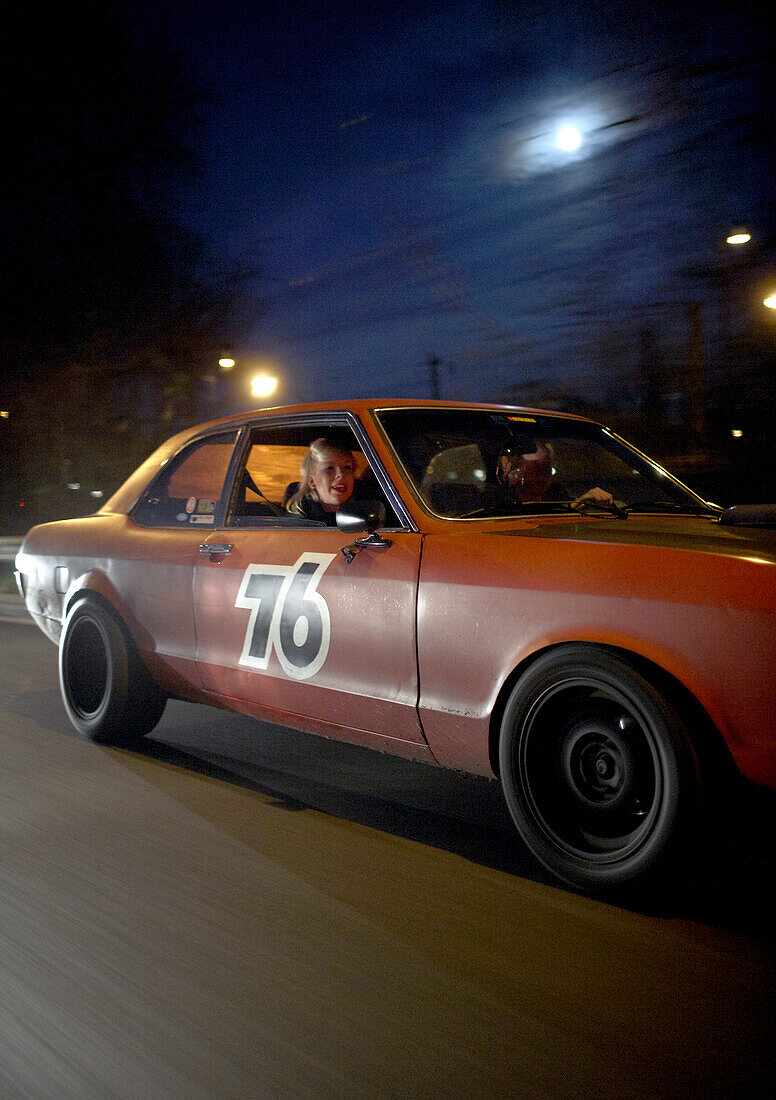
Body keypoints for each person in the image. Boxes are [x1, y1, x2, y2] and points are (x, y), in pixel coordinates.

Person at [497, 440, 614, 507]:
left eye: (546, 466)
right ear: (514, 471)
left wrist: (586, 501)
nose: (543, 474)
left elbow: (564, 511)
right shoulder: (496, 503)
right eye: (535, 467)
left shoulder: (556, 493)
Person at [285, 437, 357, 525]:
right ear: (311, 481)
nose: (341, 474)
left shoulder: (366, 515)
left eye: (347, 467)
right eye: (329, 468)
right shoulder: (299, 524)